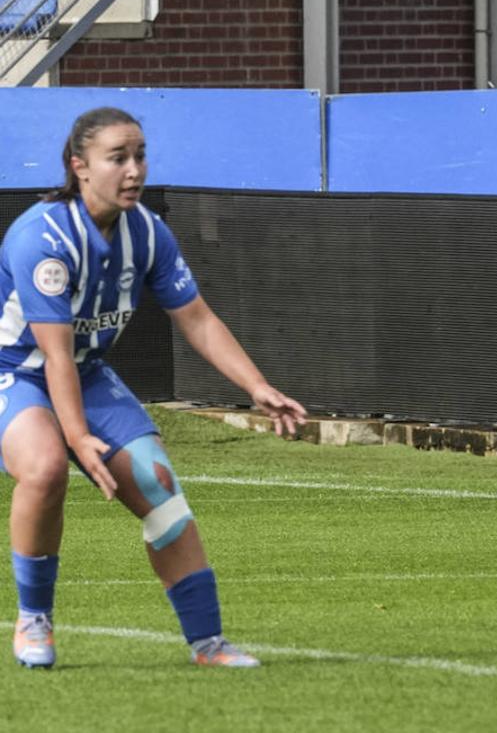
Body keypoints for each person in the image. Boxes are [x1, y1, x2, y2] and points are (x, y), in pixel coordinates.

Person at [0, 106, 308, 668]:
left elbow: (197, 319)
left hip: (85, 372)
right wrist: (78, 438)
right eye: (118, 157)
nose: (134, 169)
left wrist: (257, 385)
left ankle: (208, 643)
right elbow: (53, 355)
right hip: (15, 372)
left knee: (159, 486)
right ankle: (34, 619)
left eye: (139, 155)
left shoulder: (147, 231)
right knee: (45, 469)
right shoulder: (40, 240)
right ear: (80, 166)